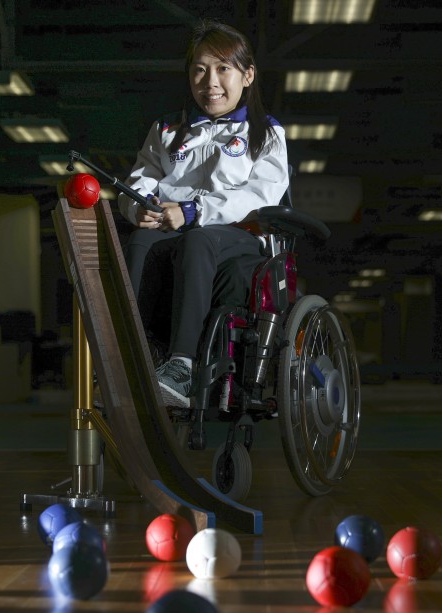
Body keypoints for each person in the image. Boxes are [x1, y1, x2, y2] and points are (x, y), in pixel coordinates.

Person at [118, 19, 289, 408]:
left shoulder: (266, 133)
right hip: (172, 229)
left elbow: (261, 194)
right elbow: (141, 178)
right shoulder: (166, 130)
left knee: (198, 239)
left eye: (222, 68)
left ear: (247, 75)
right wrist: (137, 206)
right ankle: (136, 351)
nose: (210, 81)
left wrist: (194, 211)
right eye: (200, 69)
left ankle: (181, 365)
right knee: (141, 239)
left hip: (237, 238)